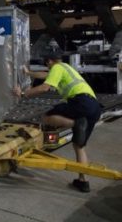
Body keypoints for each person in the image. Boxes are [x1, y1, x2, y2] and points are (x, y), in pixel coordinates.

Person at [13, 52, 101, 193]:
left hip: (80, 102)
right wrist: (28, 73)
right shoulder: (65, 67)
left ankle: (75, 124)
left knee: (46, 117)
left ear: (49, 62)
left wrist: (23, 94)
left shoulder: (57, 68)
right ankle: (83, 181)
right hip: (94, 107)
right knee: (79, 146)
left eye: (47, 65)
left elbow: (45, 87)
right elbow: (45, 75)